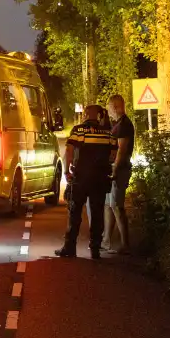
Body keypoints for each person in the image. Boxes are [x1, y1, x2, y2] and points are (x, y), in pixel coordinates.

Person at [55, 104, 116, 259]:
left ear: (86, 115)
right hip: (100, 179)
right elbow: (113, 156)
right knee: (97, 213)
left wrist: (67, 170)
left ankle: (70, 247)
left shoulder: (79, 131)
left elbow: (69, 151)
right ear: (99, 116)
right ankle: (95, 248)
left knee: (74, 212)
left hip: (81, 178)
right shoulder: (108, 133)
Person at [104, 94, 135, 254]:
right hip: (115, 169)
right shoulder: (118, 124)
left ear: (115, 106)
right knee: (109, 205)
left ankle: (125, 245)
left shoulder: (124, 125)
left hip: (120, 170)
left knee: (117, 206)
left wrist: (115, 169)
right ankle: (106, 241)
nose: (107, 110)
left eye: (109, 107)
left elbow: (122, 150)